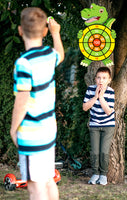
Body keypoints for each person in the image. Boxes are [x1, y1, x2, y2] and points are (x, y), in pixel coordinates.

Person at [10, 7, 64, 200]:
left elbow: (22, 100)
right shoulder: (49, 55)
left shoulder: (24, 63)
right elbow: (60, 54)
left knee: (34, 187)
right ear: (44, 32)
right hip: (49, 130)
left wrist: (13, 129)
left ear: (20, 31)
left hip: (31, 133)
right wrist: (56, 34)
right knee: (48, 179)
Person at [83, 67, 115, 185]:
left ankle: (103, 175)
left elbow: (108, 111)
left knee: (104, 152)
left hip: (108, 126)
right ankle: (95, 173)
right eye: (99, 77)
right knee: (95, 151)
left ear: (109, 80)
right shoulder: (90, 90)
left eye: (104, 78)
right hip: (94, 125)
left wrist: (101, 96)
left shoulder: (111, 91)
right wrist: (95, 96)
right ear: (95, 79)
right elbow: (85, 107)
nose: (101, 80)